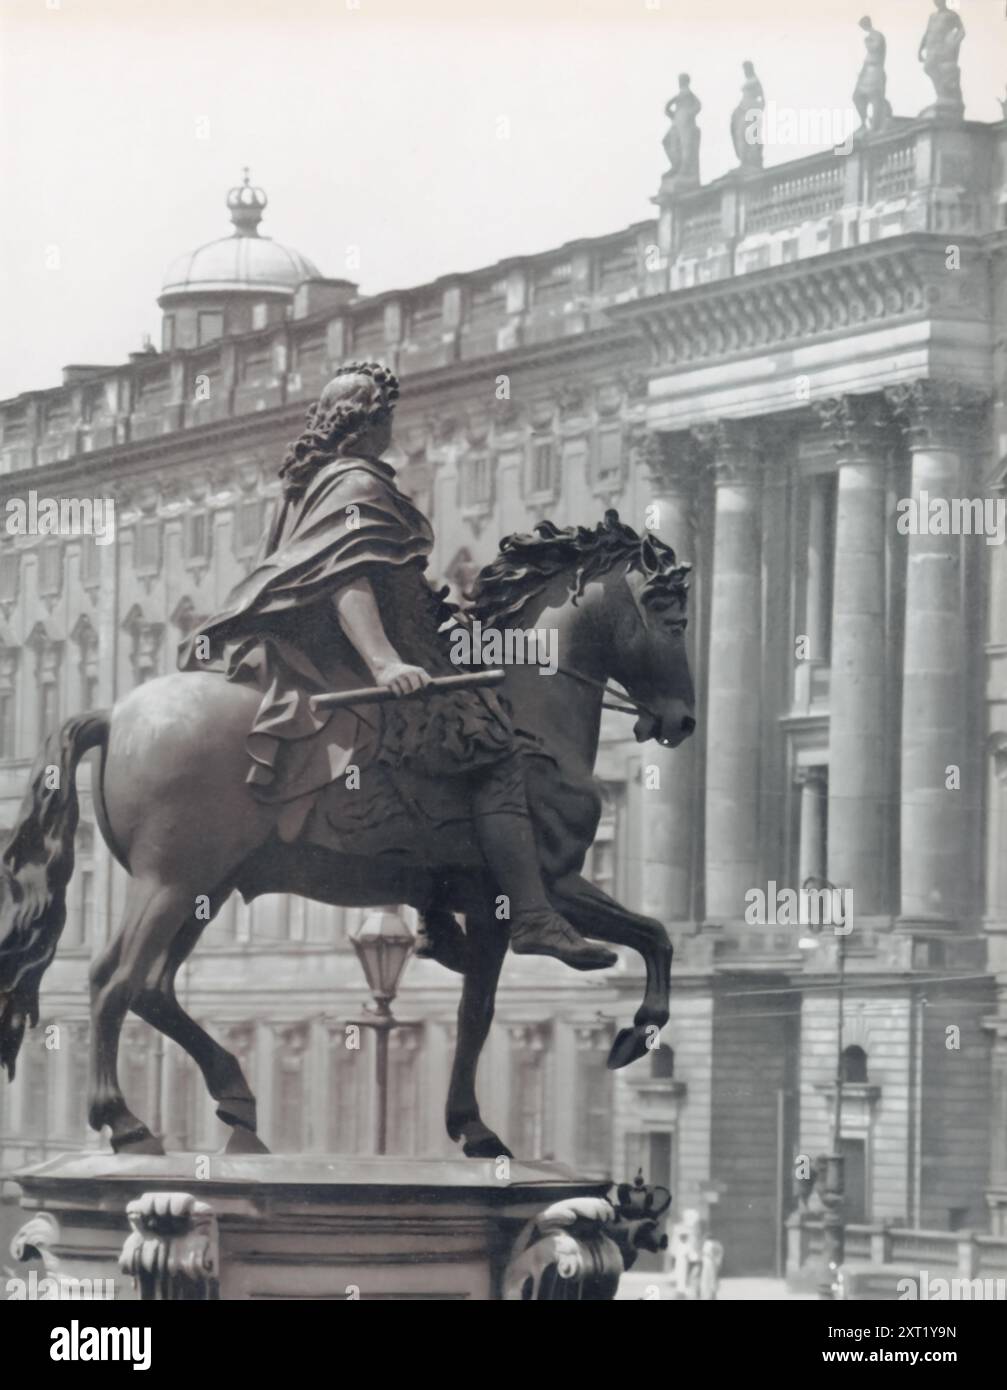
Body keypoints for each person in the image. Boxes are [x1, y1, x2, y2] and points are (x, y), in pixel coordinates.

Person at [179, 361, 615, 972]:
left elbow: (383, 581)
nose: (391, 428)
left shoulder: (307, 486)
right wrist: (385, 663)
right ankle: (533, 917)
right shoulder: (355, 483)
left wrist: (443, 618)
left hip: (346, 658)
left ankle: (435, 918)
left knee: (436, 763)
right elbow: (346, 575)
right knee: (494, 751)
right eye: (387, 417)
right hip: (360, 667)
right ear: (369, 423)